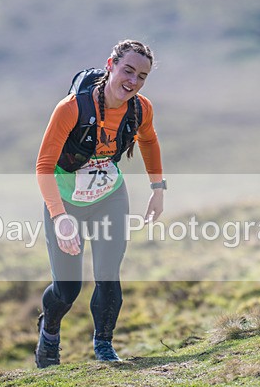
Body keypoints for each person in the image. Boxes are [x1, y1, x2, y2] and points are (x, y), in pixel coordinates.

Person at [34, 39, 166, 368]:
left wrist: (158, 188)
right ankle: (49, 330)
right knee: (67, 290)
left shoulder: (140, 109)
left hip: (110, 198)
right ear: (111, 65)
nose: (133, 81)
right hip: (65, 203)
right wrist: (59, 216)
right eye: (128, 71)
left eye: (142, 76)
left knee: (108, 275)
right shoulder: (72, 108)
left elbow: (149, 140)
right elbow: (44, 167)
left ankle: (104, 344)